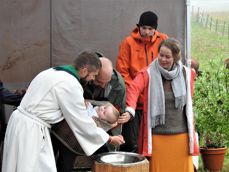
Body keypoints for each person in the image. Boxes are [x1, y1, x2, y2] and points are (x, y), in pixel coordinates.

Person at [2, 50, 125, 172]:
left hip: (18, 124)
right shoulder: (71, 84)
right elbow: (81, 123)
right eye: (93, 75)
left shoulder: (51, 72)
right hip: (30, 132)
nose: (92, 79)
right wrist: (108, 138)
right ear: (84, 71)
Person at [119, 38, 199, 172]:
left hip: (181, 135)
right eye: (161, 55)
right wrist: (130, 110)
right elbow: (133, 89)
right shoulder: (148, 72)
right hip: (156, 136)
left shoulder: (187, 74)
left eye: (167, 56)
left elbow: (189, 100)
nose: (163, 59)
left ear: (175, 57)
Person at [53, 53, 126, 172]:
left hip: (96, 131)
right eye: (99, 81)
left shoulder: (118, 85)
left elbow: (116, 117)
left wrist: (112, 143)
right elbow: (76, 116)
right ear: (91, 73)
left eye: (106, 83)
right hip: (67, 125)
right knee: (64, 154)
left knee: (105, 153)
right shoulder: (79, 75)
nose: (102, 86)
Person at [116, 11, 168, 152]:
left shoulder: (164, 40)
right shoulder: (128, 43)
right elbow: (123, 72)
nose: (146, 32)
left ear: (155, 29)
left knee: (155, 138)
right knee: (132, 141)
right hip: (135, 101)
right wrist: (136, 92)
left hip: (157, 100)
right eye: (144, 28)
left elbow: (169, 66)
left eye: (150, 29)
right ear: (138, 26)